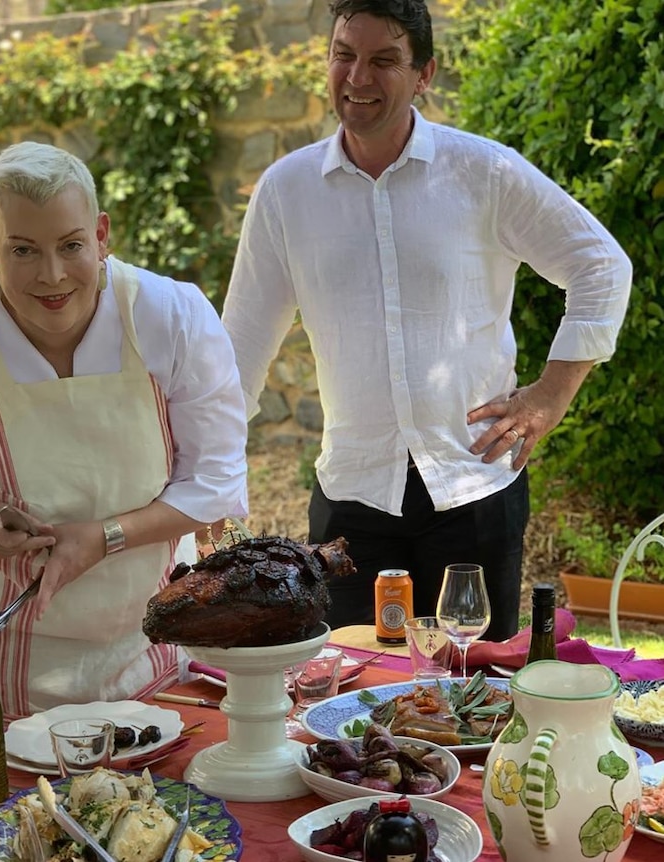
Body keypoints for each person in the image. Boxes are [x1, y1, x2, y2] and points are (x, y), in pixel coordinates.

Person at [221, 0, 631, 641]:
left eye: (384, 60)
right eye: (344, 55)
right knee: (349, 704)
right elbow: (242, 344)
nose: (358, 77)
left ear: (424, 74)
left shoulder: (483, 172)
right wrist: (208, 479)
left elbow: (602, 265)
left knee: (474, 694)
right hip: (352, 495)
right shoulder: (285, 191)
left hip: (472, 488)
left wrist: (550, 396)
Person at [0, 141, 248, 718]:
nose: (51, 276)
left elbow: (215, 484)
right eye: (22, 250)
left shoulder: (171, 316)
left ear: (101, 235)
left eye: (71, 246)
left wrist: (105, 535)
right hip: (0, 661)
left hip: (149, 653)